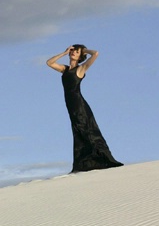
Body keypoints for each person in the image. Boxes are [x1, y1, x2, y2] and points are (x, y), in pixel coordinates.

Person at [46, 44, 123, 173]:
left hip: (79, 105)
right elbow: (49, 62)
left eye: (76, 52)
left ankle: (103, 160)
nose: (73, 53)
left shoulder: (81, 68)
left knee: (88, 131)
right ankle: (83, 163)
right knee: (78, 132)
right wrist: (64, 53)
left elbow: (96, 53)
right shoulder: (64, 69)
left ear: (80, 55)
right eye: (73, 51)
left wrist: (83, 51)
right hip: (71, 106)